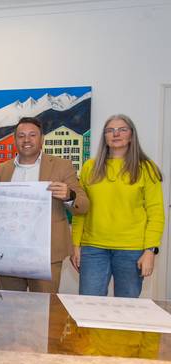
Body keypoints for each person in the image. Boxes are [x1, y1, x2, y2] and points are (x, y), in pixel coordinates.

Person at [0, 116, 89, 293]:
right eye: (21, 136)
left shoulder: (62, 166)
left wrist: (69, 195)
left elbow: (84, 205)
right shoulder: (2, 169)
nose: (26, 140)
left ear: (42, 138)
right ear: (15, 140)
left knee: (44, 305)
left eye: (32, 135)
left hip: (46, 252)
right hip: (8, 250)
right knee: (9, 304)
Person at [71, 114, 164, 297]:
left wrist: (150, 250)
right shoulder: (90, 167)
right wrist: (75, 245)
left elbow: (156, 213)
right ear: (104, 137)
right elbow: (80, 210)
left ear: (131, 135)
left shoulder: (146, 168)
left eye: (122, 129)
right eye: (110, 130)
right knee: (89, 305)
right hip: (93, 249)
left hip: (132, 250)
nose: (116, 134)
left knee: (126, 306)